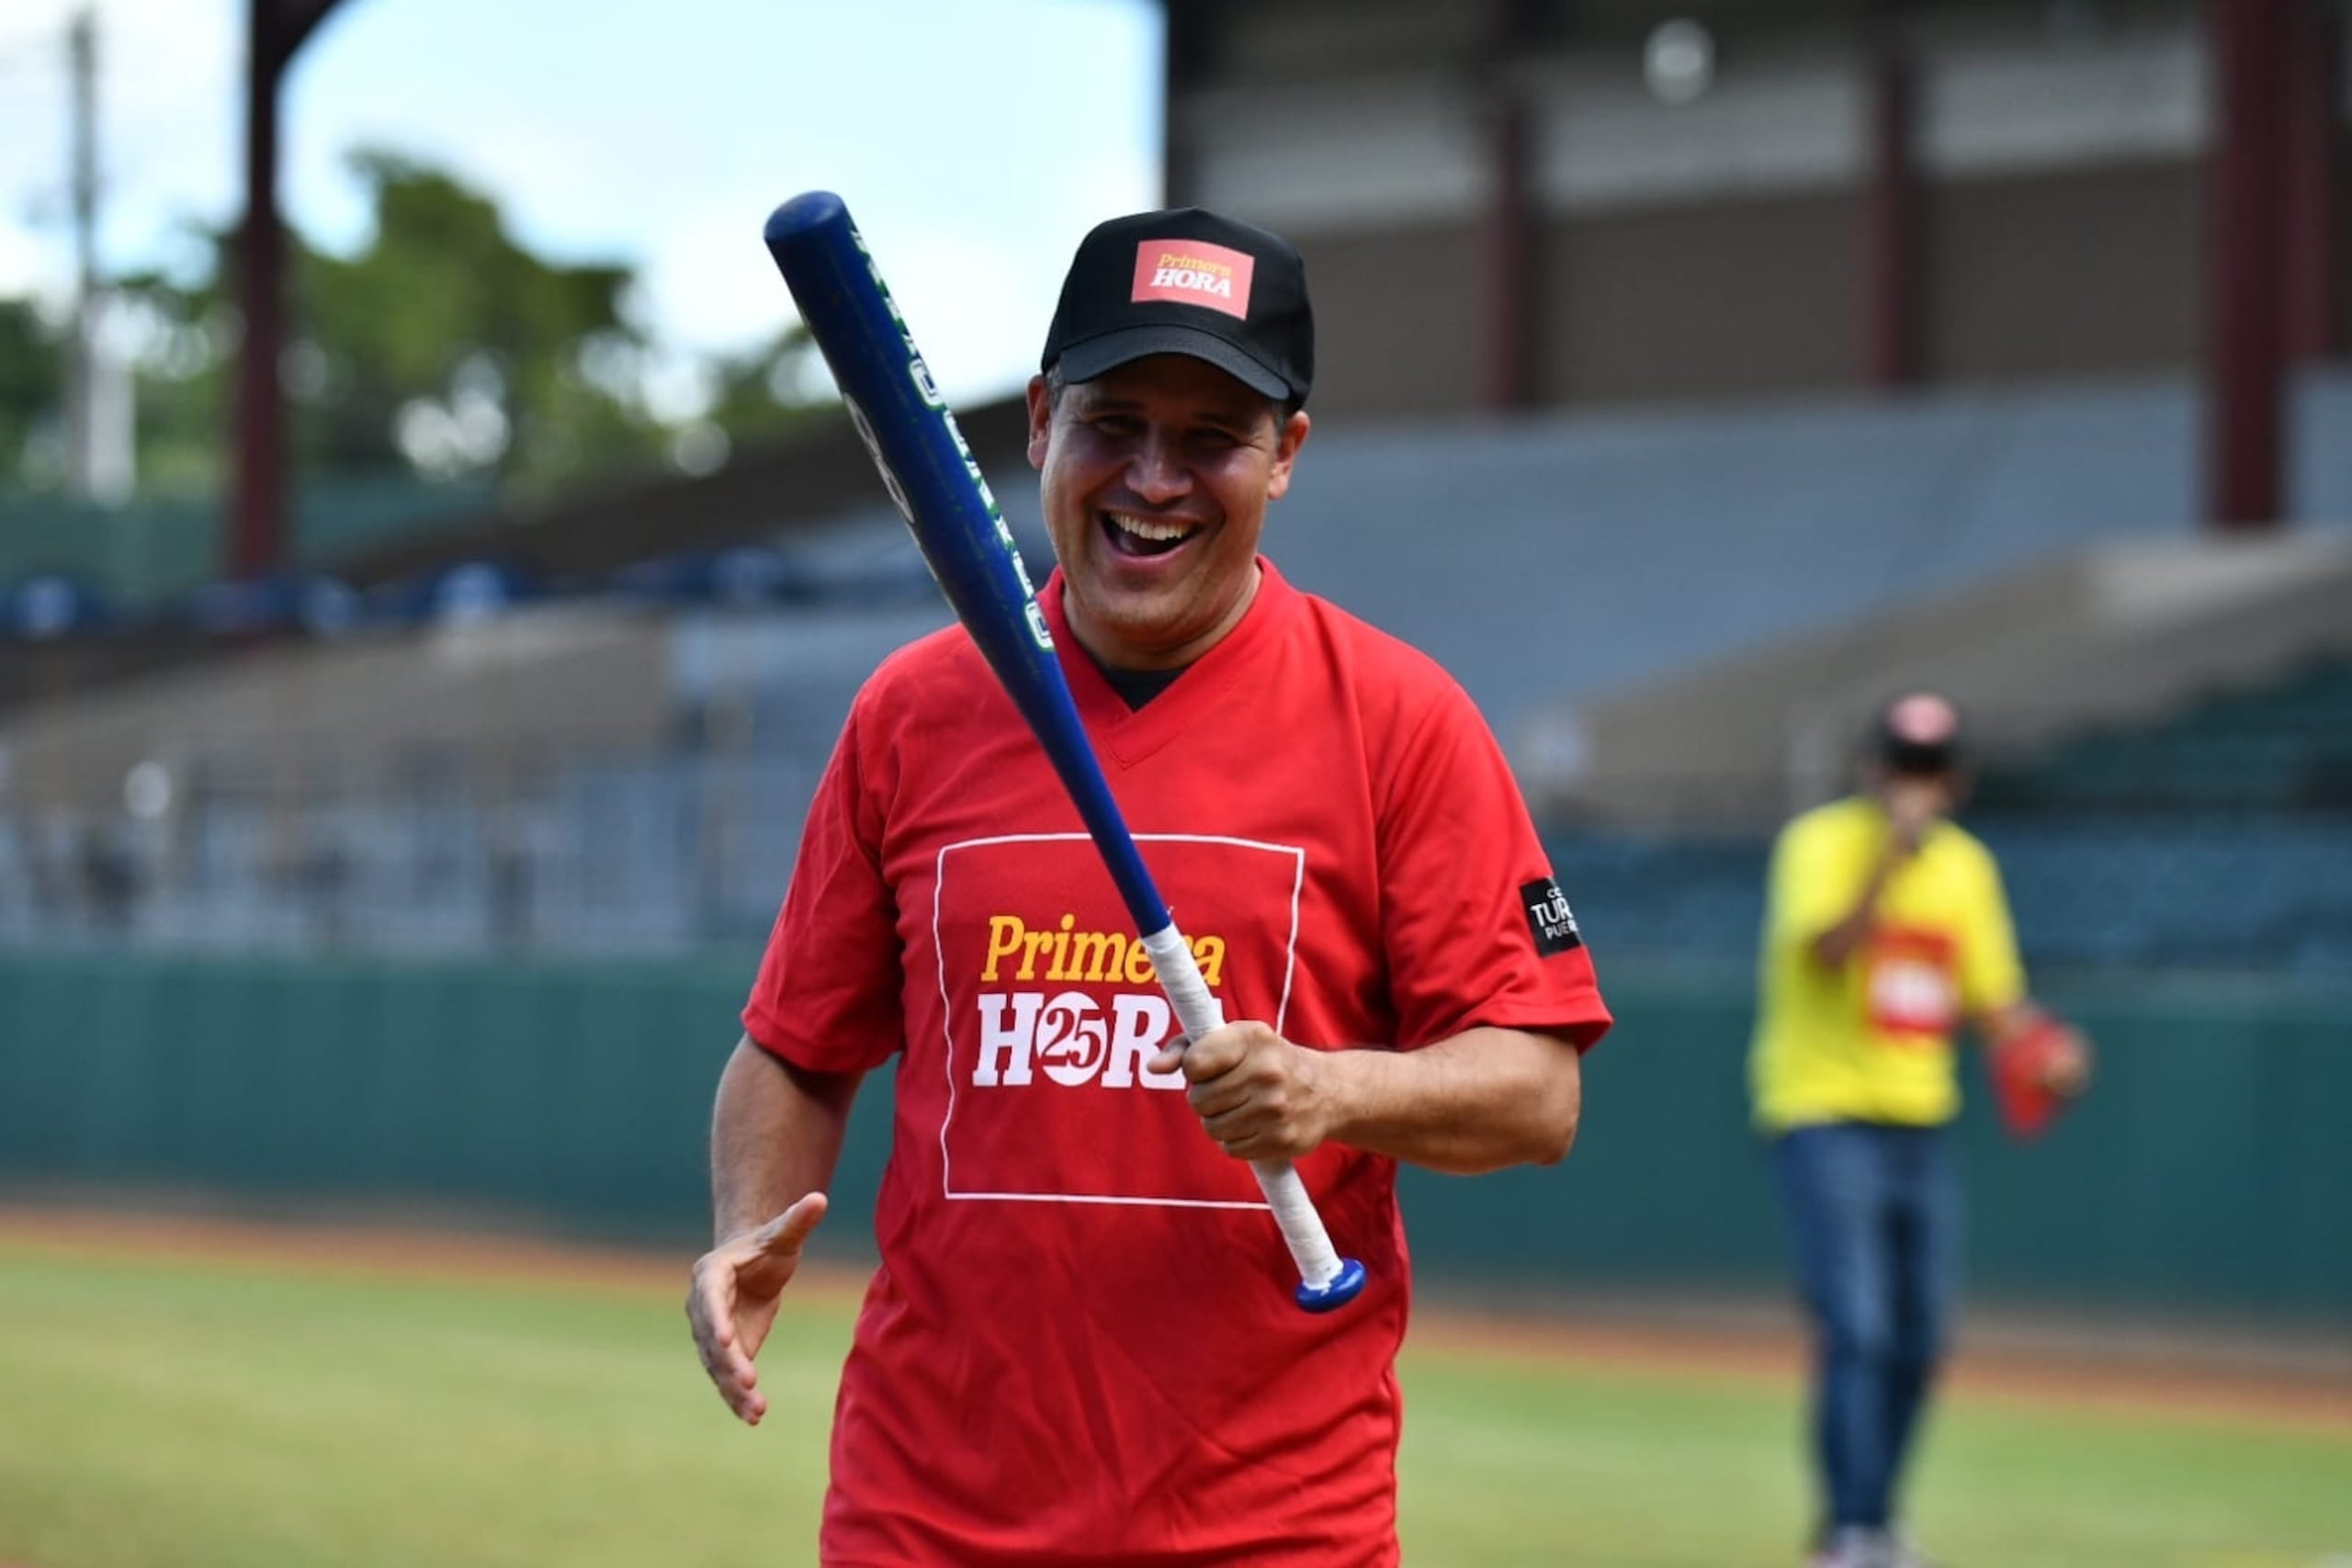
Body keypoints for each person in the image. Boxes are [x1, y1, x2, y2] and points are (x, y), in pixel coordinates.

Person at [685, 207, 1612, 1565]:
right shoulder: (913, 711)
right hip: (927, 1513)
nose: (1156, 476)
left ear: (1285, 455)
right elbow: (795, 1047)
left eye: (1211, 437)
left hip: (1269, 1522)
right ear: (1043, 421)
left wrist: (1328, 1087)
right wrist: (743, 1231)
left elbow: (1539, 1094)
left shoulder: (1400, 719)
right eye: (1117, 421)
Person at [1749, 693, 2091, 1568]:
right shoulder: (1819, 843)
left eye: (1930, 769)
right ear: (1871, 768)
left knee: (1920, 1336)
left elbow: (1991, 1000)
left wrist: (2042, 1049)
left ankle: (1874, 1517)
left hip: (1920, 1120)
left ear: (1957, 780)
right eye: (1901, 765)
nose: (1914, 785)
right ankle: (1851, 1530)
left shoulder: (1969, 870)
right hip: (1823, 1111)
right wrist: (1887, 862)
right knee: (1856, 1327)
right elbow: (1826, 949)